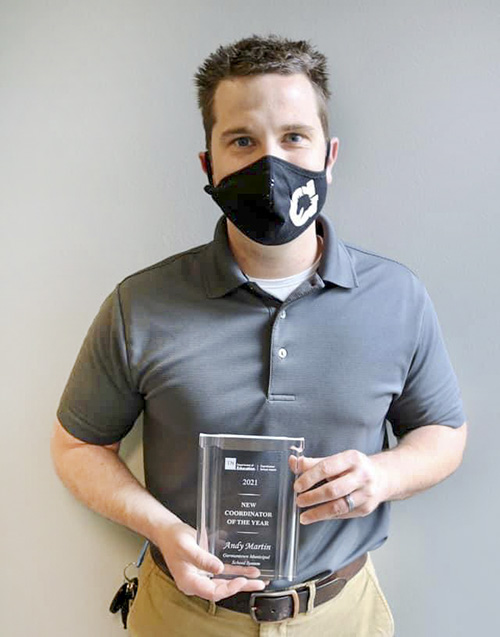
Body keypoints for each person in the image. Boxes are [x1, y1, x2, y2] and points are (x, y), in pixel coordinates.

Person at [51, 35, 467, 636]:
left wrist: (383, 477)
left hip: (342, 614)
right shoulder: (139, 304)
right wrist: (161, 528)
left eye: (294, 136)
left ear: (329, 156)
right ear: (209, 166)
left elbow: (445, 433)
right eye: (242, 141)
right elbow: (77, 447)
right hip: (183, 617)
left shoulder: (398, 298)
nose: (270, 164)